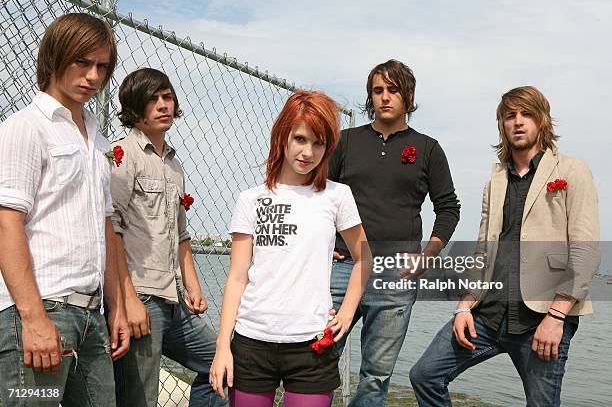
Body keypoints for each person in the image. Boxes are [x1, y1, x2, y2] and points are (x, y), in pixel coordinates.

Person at [409, 86, 600, 406]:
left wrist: (557, 316)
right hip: (488, 313)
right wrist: (463, 306)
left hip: (542, 317)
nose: (518, 122)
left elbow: (585, 250)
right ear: (502, 125)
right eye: (510, 116)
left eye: (527, 114)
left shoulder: (571, 170)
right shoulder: (495, 182)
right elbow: (483, 252)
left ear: (542, 122)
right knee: (425, 375)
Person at [209, 90, 372, 406]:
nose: (308, 152)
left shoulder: (337, 196)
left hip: (311, 345)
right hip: (251, 341)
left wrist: (348, 310)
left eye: (319, 143)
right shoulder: (250, 199)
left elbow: (364, 257)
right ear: (282, 135)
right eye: (300, 139)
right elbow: (237, 277)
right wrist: (222, 347)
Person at [0, 13, 129, 406]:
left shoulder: (97, 137)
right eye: (82, 62)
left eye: (102, 66)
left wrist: (117, 305)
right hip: (42, 309)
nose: (93, 75)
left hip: (91, 314)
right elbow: (7, 222)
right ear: (56, 57)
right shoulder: (26, 127)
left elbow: (104, 226)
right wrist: (34, 318)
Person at [328, 59, 460, 405]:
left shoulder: (428, 148)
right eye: (378, 90)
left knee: (376, 376)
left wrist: (425, 257)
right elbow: (319, 196)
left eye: (393, 89)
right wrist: (324, 244)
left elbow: (448, 208)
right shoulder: (345, 142)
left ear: (408, 95)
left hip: (397, 275)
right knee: (319, 359)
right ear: (370, 97)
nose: (385, 97)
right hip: (343, 270)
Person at [110, 68, 224, 406]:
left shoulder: (175, 165)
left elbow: (182, 235)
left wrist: (195, 288)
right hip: (141, 297)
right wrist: (128, 299)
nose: (163, 105)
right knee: (139, 397)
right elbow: (110, 228)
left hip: (175, 301)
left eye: (167, 97)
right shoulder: (121, 155)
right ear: (135, 108)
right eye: (153, 99)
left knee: (223, 368)